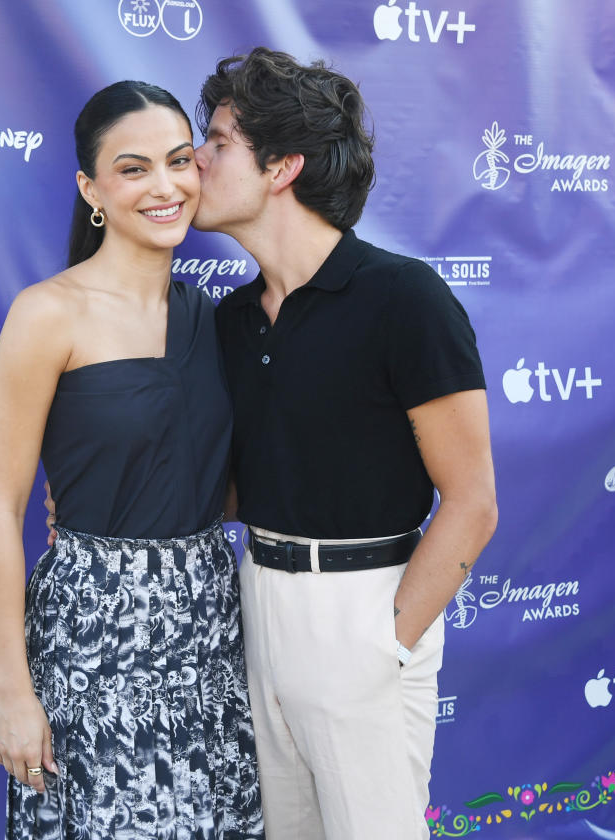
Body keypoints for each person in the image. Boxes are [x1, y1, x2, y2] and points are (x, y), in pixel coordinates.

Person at [192, 49, 499, 839]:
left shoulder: (405, 300)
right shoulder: (230, 321)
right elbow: (243, 484)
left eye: (218, 140)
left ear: (282, 166)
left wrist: (384, 645)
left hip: (366, 607)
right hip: (257, 601)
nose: (195, 158)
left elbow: (472, 504)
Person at [0, 81, 263, 839]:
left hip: (209, 630)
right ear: (91, 189)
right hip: (93, 638)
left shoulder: (215, 317)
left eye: (179, 161)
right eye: (134, 169)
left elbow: (214, 477)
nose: (165, 187)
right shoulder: (47, 314)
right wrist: (12, 691)